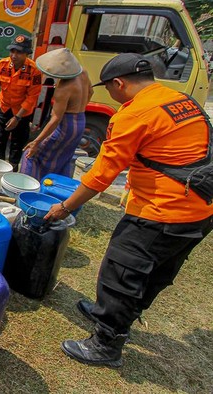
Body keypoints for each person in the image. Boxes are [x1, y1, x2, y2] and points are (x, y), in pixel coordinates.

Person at [44, 53, 213, 367]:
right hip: (201, 209)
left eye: (109, 89)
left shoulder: (134, 113)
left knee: (121, 273)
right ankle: (116, 315)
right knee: (156, 272)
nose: (110, 95)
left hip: (162, 210)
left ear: (118, 83)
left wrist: (65, 207)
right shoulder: (181, 101)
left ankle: (106, 344)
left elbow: (100, 176)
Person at [20, 48, 93, 180]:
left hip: (67, 125)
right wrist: (79, 107)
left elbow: (55, 119)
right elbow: (91, 92)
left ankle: (28, 190)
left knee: (29, 155)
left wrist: (36, 142)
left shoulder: (63, 89)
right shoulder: (84, 73)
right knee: (63, 158)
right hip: (80, 121)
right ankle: (58, 189)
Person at [0, 34, 42, 171]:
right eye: (12, 51)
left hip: (22, 113)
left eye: (19, 52)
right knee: (0, 140)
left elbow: (32, 97)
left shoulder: (34, 71)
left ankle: (12, 170)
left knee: (17, 145)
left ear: (26, 54)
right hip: (4, 107)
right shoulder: (2, 65)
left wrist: (18, 117)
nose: (14, 55)